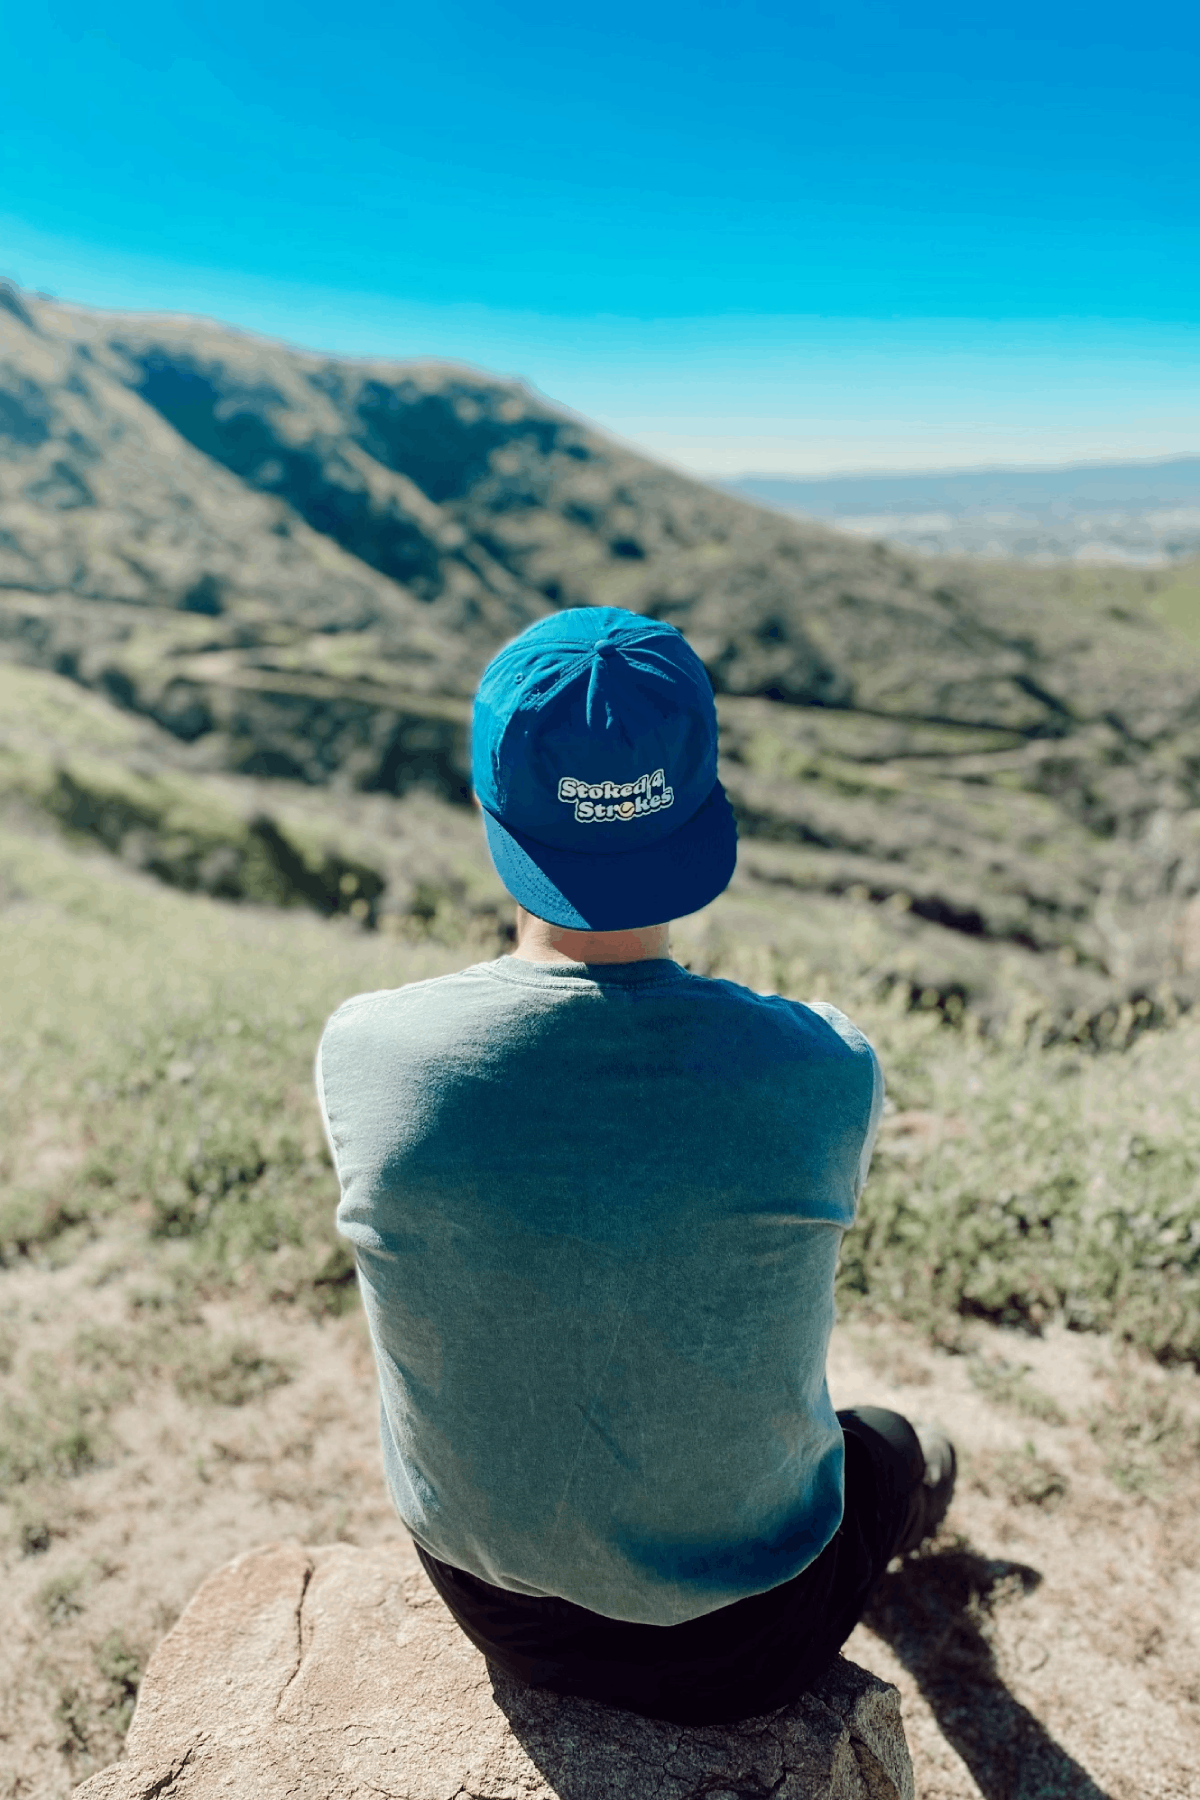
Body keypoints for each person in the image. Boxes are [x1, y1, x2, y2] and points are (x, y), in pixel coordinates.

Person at [316, 604, 955, 1725]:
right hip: (748, 1637)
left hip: (483, 1595)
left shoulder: (370, 1050)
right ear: (699, 805)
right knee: (897, 1448)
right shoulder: (822, 1067)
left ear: (496, 809)